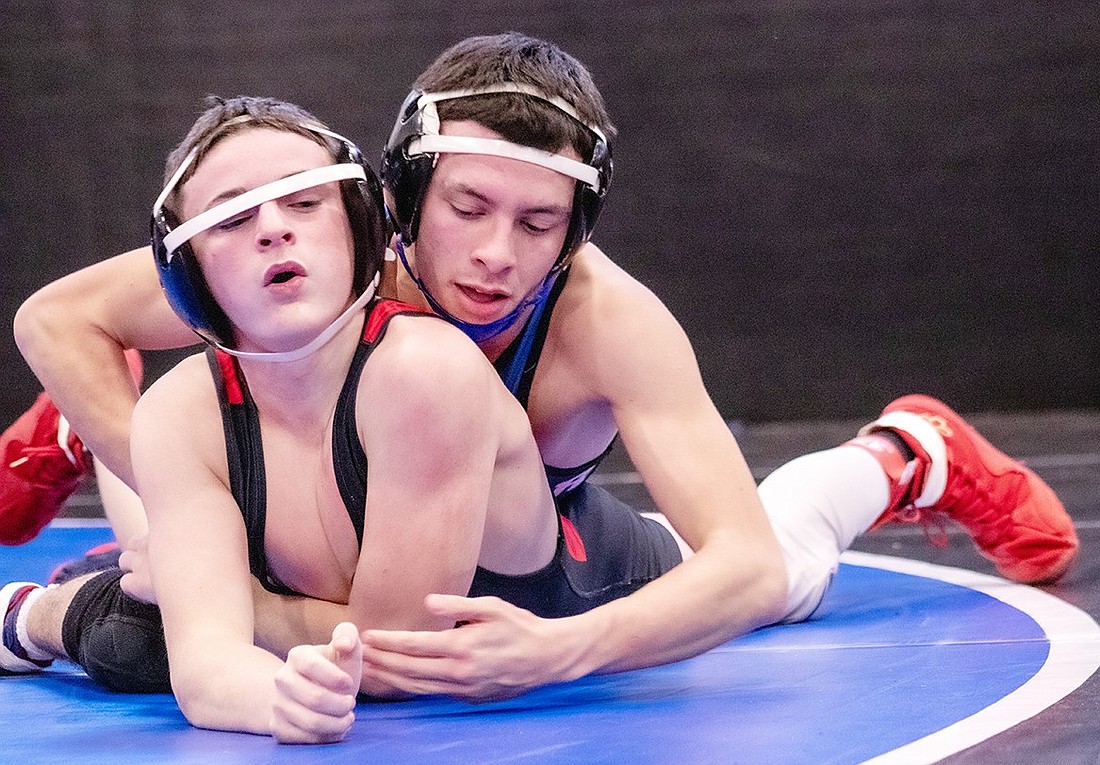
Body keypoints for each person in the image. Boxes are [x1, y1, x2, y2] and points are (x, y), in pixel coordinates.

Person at [5, 33, 1078, 704]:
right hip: (342, 535)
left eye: (537, 223)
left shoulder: (603, 317)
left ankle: (901, 455)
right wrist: (168, 490)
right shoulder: (327, 248)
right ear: (400, 196)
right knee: (172, 578)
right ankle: (91, 439)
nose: (492, 255)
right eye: (466, 209)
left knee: (784, 576)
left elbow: (738, 565)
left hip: (529, 559)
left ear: (575, 226)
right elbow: (61, 319)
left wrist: (569, 648)